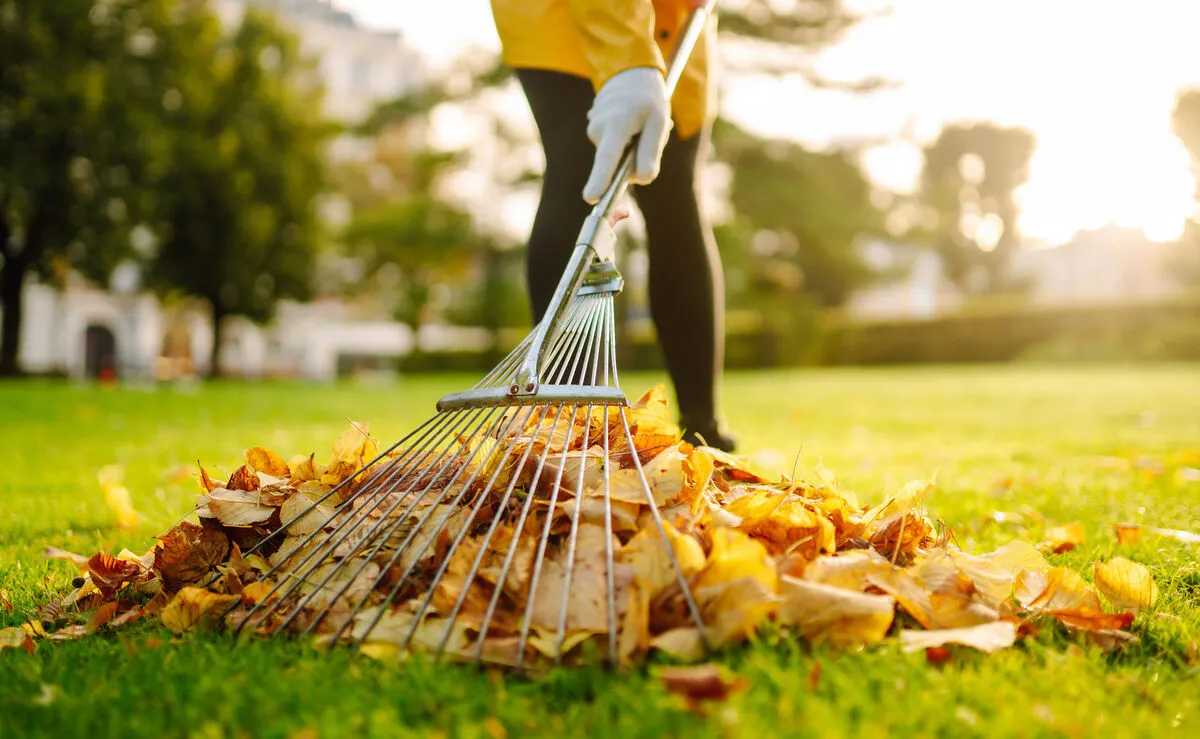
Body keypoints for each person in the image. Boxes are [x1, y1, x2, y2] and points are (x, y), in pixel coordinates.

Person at [489, 0, 737, 451]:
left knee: (677, 195)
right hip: (563, 19)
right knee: (579, 174)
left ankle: (704, 429)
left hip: (675, 22)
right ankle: (570, 429)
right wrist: (627, 62)